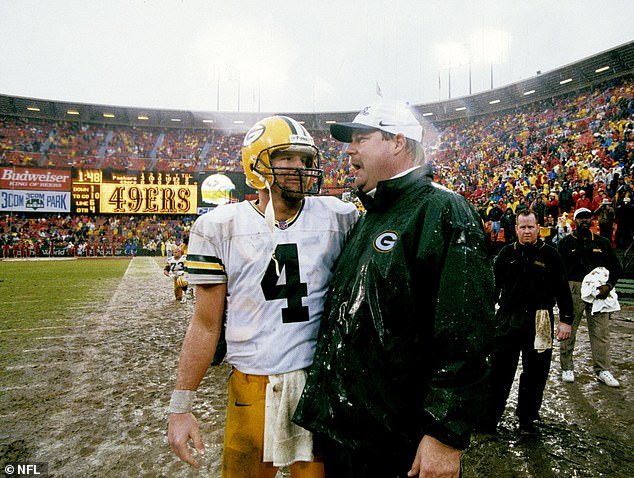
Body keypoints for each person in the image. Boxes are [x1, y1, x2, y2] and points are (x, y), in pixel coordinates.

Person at [293, 100, 495, 478]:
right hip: (349, 436)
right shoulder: (373, 215)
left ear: (397, 142)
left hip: (398, 445)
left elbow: (466, 332)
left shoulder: (443, 210)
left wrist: (445, 433)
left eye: (361, 139)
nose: (349, 150)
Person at [167, 115, 358, 477]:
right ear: (257, 165)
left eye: (305, 159)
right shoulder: (219, 227)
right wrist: (181, 404)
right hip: (252, 384)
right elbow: (206, 325)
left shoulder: (340, 216)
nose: (300, 167)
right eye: (287, 158)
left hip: (318, 383)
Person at [479, 209, 573, 434]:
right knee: (499, 370)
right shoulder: (505, 253)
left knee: (536, 372)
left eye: (531, 227)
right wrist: (485, 317)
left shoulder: (551, 254)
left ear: (538, 228)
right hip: (508, 317)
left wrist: (566, 320)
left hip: (540, 319)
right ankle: (489, 418)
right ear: (516, 229)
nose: (527, 231)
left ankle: (527, 420)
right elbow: (493, 288)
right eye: (523, 227)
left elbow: (562, 289)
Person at [557, 207, 623, 387]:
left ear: (592, 221)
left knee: (601, 332)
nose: (584, 221)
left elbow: (616, 268)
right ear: (574, 221)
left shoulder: (602, 243)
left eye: (587, 218)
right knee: (568, 330)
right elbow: (557, 270)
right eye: (580, 218)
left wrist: (608, 286)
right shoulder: (564, 243)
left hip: (599, 292)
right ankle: (567, 367)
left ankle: (602, 370)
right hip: (573, 289)